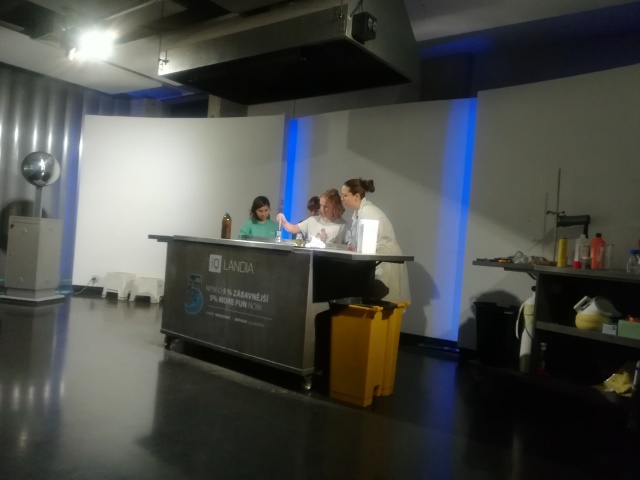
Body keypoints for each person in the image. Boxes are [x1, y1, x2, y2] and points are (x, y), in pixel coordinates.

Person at [341, 178, 410, 303]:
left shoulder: (368, 214)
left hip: (385, 264)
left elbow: (368, 248)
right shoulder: (360, 212)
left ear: (356, 196)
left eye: (345, 195)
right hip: (379, 261)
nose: (342, 198)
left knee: (384, 304)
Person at [276, 189, 348, 244]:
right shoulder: (312, 220)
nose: (322, 209)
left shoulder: (343, 226)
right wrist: (283, 221)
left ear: (335, 207)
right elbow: (293, 229)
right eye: (321, 205)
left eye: (326, 207)